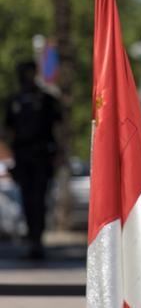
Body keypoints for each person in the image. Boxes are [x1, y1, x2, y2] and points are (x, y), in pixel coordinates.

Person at [4, 61, 60, 259]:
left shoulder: (45, 100)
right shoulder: (14, 101)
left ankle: (37, 239)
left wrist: (57, 157)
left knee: (39, 199)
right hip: (23, 156)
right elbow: (9, 130)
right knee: (27, 200)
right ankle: (32, 239)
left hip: (41, 156)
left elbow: (57, 127)